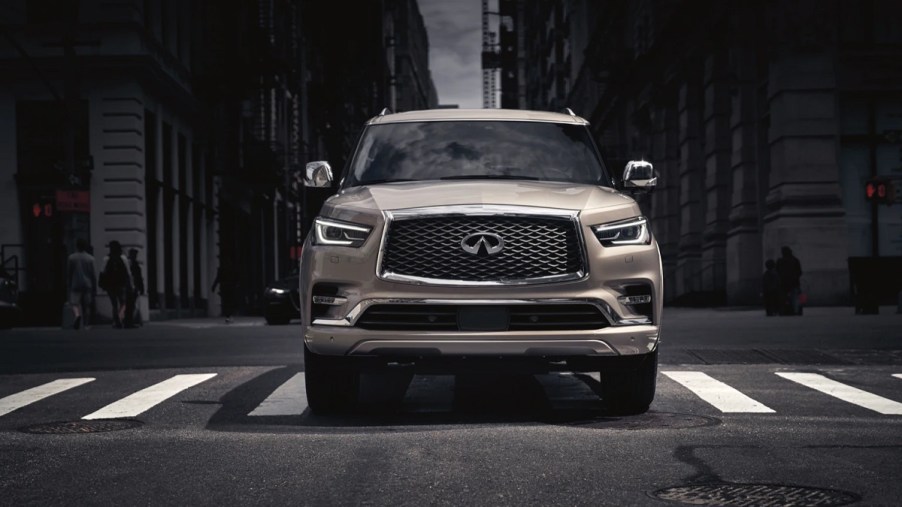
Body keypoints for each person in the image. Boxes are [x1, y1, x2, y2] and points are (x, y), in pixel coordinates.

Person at [100, 241, 132, 328]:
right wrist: (130, 284)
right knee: (123, 303)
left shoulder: (106, 258)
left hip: (110, 285)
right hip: (121, 284)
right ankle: (120, 318)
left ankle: (115, 321)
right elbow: (128, 273)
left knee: (114, 304)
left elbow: (102, 272)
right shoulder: (123, 258)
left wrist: (102, 285)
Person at [66, 238, 96, 330]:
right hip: (87, 284)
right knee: (87, 305)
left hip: (75, 283)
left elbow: (69, 272)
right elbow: (93, 274)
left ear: (77, 245)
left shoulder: (71, 258)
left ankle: (77, 315)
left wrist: (69, 283)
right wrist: (94, 286)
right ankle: (86, 325)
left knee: (74, 303)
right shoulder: (91, 258)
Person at [776, 246, 803, 316]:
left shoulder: (780, 261)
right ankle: (796, 311)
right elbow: (799, 272)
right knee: (795, 297)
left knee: (783, 297)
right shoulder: (795, 260)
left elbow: (777, 271)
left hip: (783, 282)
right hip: (794, 282)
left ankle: (783, 310)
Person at [211, 257, 236, 323]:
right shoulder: (231, 268)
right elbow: (235, 278)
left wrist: (214, 286)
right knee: (230, 302)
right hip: (230, 287)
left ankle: (228, 316)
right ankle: (229, 316)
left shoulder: (221, 269)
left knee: (226, 302)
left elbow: (217, 278)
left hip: (224, 287)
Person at [125, 248, 145, 328]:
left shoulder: (130, 263)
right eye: (134, 254)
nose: (135, 256)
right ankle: (129, 322)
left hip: (131, 287)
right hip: (132, 287)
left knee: (130, 305)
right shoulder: (132, 264)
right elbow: (138, 277)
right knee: (130, 305)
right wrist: (141, 288)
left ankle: (128, 321)